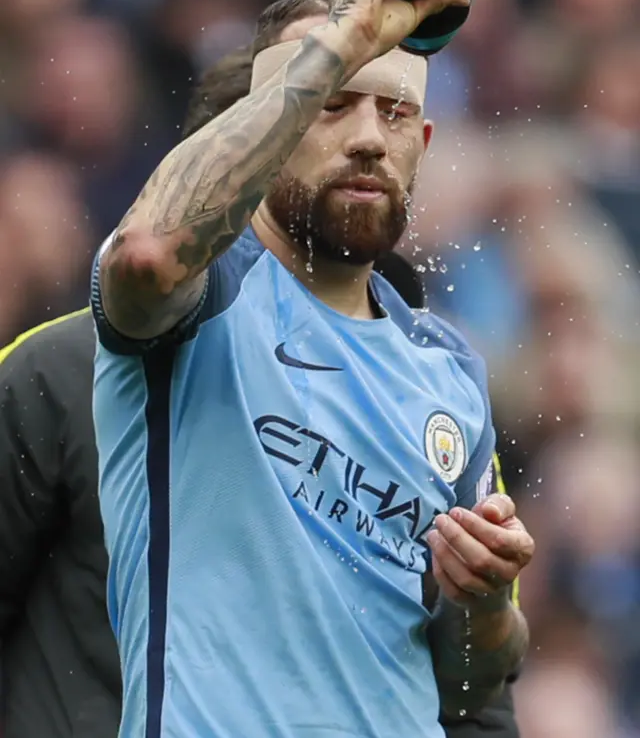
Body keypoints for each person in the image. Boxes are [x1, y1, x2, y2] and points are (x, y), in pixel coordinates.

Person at [0, 45, 522, 738]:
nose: (365, 137)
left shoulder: (447, 384)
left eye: (390, 108)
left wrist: (484, 613)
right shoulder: (63, 367)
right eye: (323, 104)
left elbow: (473, 702)